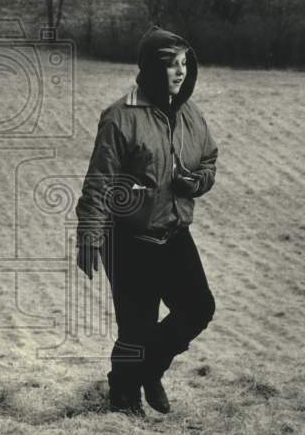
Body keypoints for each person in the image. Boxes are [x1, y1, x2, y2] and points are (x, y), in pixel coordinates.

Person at [75, 26, 219, 416]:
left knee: (198, 308)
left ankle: (148, 370)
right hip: (126, 238)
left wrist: (196, 182)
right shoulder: (120, 118)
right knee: (135, 329)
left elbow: (208, 161)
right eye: (171, 65)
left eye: (185, 64)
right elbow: (99, 183)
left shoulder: (191, 114)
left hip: (173, 232)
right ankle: (123, 402)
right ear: (151, 69)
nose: (180, 72)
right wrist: (88, 234)